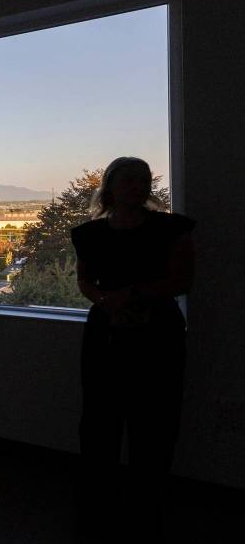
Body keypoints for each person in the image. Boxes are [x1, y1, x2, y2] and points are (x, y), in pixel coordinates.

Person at [71, 156, 195, 519]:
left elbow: (184, 282)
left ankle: (147, 497)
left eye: (144, 181)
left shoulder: (174, 229)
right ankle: (101, 494)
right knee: (99, 416)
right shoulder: (89, 234)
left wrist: (124, 298)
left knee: (155, 417)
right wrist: (110, 301)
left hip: (156, 333)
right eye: (130, 181)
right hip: (109, 330)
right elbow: (85, 281)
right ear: (110, 186)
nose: (139, 187)